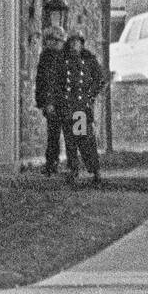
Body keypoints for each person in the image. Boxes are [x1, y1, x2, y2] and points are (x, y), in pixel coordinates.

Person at [55, 30, 104, 185]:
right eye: (72, 42)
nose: (75, 45)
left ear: (82, 44)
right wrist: (58, 100)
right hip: (67, 107)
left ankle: (94, 169)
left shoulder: (88, 59)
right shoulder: (63, 60)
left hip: (80, 107)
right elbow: (56, 82)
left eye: (78, 42)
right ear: (69, 44)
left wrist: (90, 95)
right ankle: (73, 169)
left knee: (83, 139)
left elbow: (100, 79)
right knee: (70, 141)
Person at [35, 23, 69, 176]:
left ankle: (69, 163)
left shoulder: (63, 57)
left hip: (63, 102)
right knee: (53, 134)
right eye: (54, 40)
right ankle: (52, 163)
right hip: (53, 103)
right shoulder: (47, 57)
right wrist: (45, 102)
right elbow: (44, 81)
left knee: (69, 134)